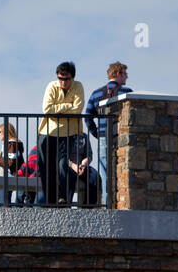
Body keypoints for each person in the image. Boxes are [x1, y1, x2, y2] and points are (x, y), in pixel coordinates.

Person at [38, 63, 86, 205]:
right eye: (60, 78)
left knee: (64, 166)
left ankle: (63, 199)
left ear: (73, 78)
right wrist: (67, 106)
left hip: (70, 134)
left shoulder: (78, 86)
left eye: (66, 79)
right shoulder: (52, 86)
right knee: (47, 169)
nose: (63, 82)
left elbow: (78, 109)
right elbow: (47, 109)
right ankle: (50, 201)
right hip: (48, 133)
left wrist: (58, 110)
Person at [85, 62, 131, 185]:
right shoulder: (127, 93)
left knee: (106, 176)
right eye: (125, 74)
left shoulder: (96, 94)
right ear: (118, 74)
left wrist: (97, 134)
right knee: (124, 174)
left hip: (103, 138)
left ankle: (108, 203)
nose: (127, 77)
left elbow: (87, 117)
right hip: (123, 138)